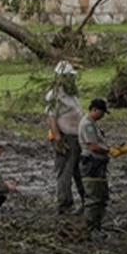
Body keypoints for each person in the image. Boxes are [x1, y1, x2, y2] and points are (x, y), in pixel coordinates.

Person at [45, 61, 86, 214]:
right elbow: (51, 118)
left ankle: (85, 200)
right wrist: (57, 139)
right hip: (65, 137)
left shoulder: (71, 94)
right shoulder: (54, 96)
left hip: (77, 137)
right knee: (65, 171)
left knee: (79, 170)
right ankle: (65, 204)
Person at [79, 98, 111, 231]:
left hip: (98, 163)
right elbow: (92, 146)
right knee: (93, 197)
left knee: (102, 195)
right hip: (92, 163)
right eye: (102, 112)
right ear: (94, 110)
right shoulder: (88, 125)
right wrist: (109, 150)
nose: (103, 116)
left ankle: (97, 226)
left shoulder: (93, 123)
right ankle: (89, 227)